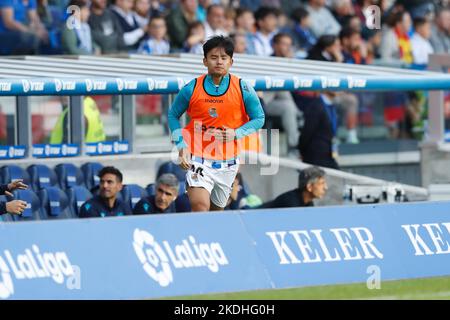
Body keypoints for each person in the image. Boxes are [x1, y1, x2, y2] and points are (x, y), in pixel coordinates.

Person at [168, 35, 265, 212]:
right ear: (205, 61)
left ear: (231, 61)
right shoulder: (192, 88)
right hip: (197, 158)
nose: (219, 62)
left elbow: (259, 118)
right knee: (200, 206)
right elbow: (173, 115)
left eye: (223, 58)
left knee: (216, 213)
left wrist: (236, 133)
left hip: (228, 162)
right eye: (213, 57)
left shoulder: (243, 88)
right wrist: (181, 144)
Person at [260, 166, 327, 208]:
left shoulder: (308, 203)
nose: (325, 187)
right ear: (309, 187)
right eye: (322, 183)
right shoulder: (291, 203)